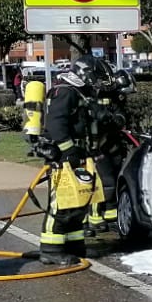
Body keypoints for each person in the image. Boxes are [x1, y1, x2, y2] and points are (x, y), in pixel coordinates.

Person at [38, 59, 102, 265]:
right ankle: (51, 248)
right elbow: (56, 125)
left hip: (76, 154)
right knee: (61, 203)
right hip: (64, 156)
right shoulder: (65, 91)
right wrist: (68, 151)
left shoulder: (77, 91)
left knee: (78, 202)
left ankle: (74, 244)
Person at [85, 62, 133, 235]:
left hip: (112, 145)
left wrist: (117, 118)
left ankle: (111, 217)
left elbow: (119, 114)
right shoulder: (89, 96)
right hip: (97, 147)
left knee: (114, 180)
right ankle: (94, 219)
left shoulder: (111, 97)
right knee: (103, 183)